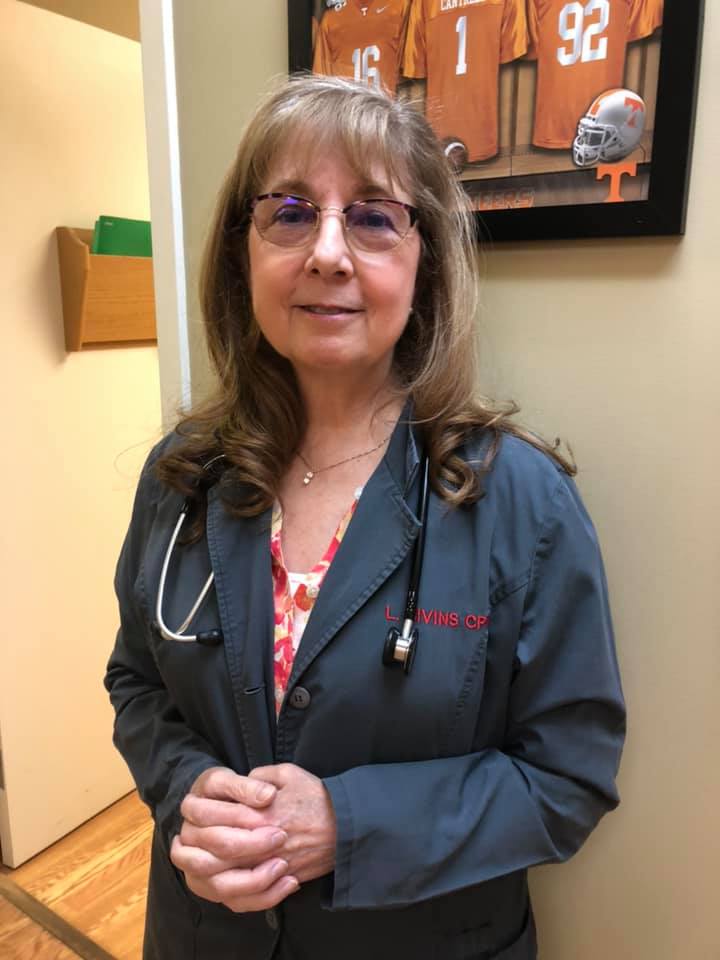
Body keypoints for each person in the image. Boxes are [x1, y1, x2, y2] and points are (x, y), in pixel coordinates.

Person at [105, 74, 625, 960]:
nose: (327, 253)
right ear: (242, 253)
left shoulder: (521, 503)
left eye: (374, 217)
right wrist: (186, 787)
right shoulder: (180, 476)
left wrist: (348, 826)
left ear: (426, 263)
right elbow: (136, 684)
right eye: (290, 212)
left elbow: (566, 778)